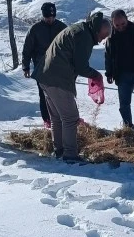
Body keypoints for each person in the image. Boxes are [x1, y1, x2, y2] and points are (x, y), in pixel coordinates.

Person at [32, 12, 111, 162]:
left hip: (45, 76)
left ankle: (59, 150)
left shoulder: (80, 29)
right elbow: (81, 66)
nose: (102, 40)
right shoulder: (84, 36)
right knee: (70, 118)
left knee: (56, 117)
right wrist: (96, 75)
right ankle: (70, 155)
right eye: (103, 36)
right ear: (98, 30)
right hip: (57, 78)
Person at [22, 2, 67, 128]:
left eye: (52, 17)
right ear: (43, 16)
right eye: (47, 17)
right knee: (44, 94)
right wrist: (25, 66)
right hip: (40, 67)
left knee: (60, 93)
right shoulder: (35, 29)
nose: (50, 19)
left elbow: (70, 46)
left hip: (59, 66)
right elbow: (27, 49)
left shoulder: (62, 27)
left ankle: (60, 117)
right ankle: (47, 119)